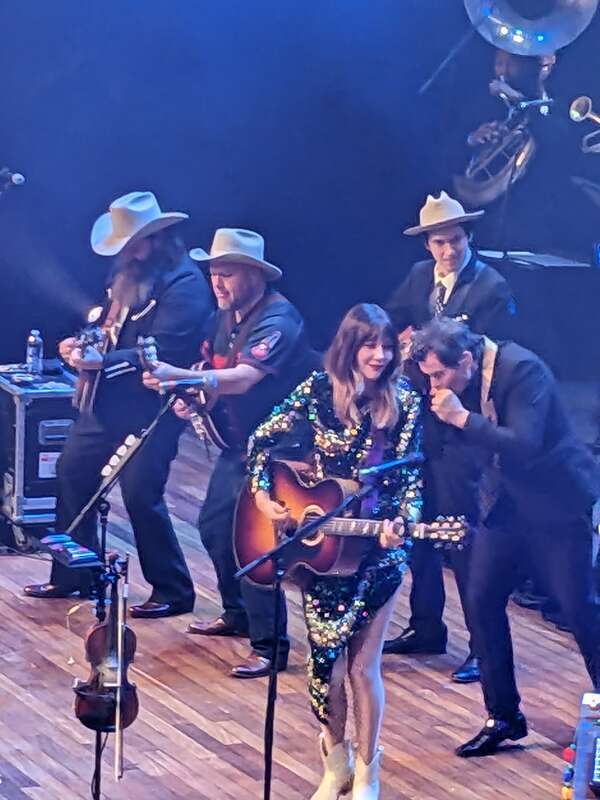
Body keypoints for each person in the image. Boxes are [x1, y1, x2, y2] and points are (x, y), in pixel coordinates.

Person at [246, 304, 423, 799]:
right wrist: (265, 497)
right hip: (322, 550)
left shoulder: (403, 401)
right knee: (325, 664)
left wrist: (403, 524)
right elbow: (261, 440)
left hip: (376, 549)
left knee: (364, 666)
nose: (380, 355)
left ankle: (368, 771)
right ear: (349, 347)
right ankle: (335, 762)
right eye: (370, 345)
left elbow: (410, 479)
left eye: (386, 346)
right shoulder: (316, 391)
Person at [411, 317, 600, 757]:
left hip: (556, 507)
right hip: (507, 507)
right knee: (480, 600)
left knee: (579, 610)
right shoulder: (463, 377)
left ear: (466, 360)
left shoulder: (523, 370)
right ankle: (504, 716)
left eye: (440, 374)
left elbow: (525, 444)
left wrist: (462, 417)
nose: (434, 385)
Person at [24, 191, 212, 618]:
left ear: (157, 240)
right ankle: (75, 574)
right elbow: (108, 326)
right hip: (108, 402)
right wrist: (81, 344)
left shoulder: (185, 286)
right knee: (72, 470)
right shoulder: (128, 274)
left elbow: (164, 349)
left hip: (154, 406)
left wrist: (102, 362)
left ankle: (173, 589)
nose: (128, 252)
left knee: (141, 491)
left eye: (135, 242)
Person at [143, 228, 318, 678]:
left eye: (227, 274)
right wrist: (192, 393)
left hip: (283, 447)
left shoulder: (279, 320)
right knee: (215, 528)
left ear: (255, 275)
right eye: (214, 274)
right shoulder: (224, 317)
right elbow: (212, 372)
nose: (217, 284)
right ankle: (238, 614)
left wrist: (180, 377)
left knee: (252, 541)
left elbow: (243, 378)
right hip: (244, 445)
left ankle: (271, 644)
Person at [383, 190, 516, 683]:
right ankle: (425, 626)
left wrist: (422, 345)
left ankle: (484, 647)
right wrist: (403, 339)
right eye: (439, 242)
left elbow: (482, 353)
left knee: (462, 539)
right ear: (427, 246)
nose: (447, 251)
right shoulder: (421, 279)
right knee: (417, 531)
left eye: (455, 240)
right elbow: (394, 319)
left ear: (468, 237)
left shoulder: (490, 287)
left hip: (461, 425)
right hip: (422, 422)